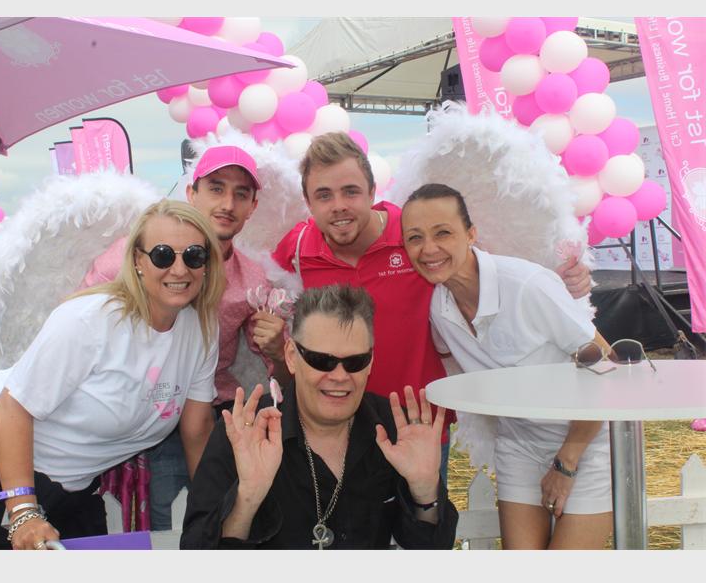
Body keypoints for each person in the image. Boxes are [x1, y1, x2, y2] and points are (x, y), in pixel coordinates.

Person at [271, 132, 592, 484]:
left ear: (372, 191)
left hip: (419, 426)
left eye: (351, 191)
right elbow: (256, 282)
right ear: (308, 201)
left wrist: (560, 274)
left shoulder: (413, 234)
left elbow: (482, 261)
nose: (339, 206)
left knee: (425, 518)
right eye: (324, 195)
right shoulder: (297, 249)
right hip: (336, 431)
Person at [0, 200, 222, 549]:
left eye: (194, 256)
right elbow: (13, 407)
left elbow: (197, 429)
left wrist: (214, 510)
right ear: (137, 260)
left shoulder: (201, 329)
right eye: (163, 255)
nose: (179, 269)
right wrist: (23, 512)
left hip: (67, 486)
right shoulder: (91, 319)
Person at [81, 145, 289, 530]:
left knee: (215, 524)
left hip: (209, 417)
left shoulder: (252, 279)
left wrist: (278, 348)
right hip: (141, 423)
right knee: (162, 534)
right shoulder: (135, 256)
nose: (227, 203)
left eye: (241, 194)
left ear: (252, 207)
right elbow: (77, 325)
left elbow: (275, 365)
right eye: (216, 188)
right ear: (192, 193)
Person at [400, 183, 613, 550]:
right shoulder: (439, 307)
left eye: (443, 233)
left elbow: (605, 365)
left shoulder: (528, 285)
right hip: (519, 444)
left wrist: (568, 460)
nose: (428, 248)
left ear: (471, 234)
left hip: (586, 441)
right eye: (415, 237)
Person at [181, 284, 458, 549]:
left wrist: (424, 491)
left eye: (355, 362)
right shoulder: (245, 431)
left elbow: (430, 548)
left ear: (371, 362)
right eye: (322, 361)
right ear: (292, 357)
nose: (339, 376)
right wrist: (247, 497)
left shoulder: (393, 429)